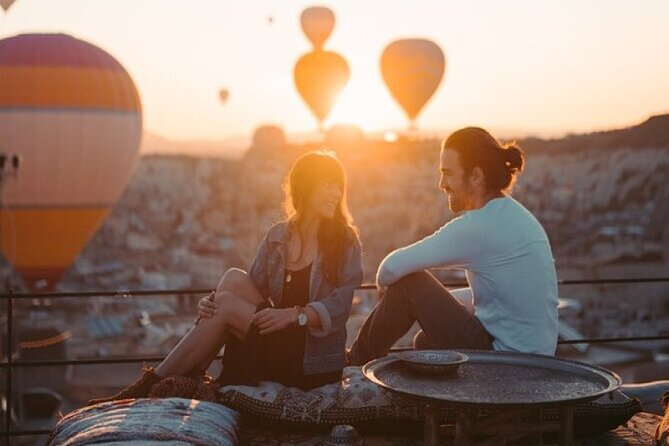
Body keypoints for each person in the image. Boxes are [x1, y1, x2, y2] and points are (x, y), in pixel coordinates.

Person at [89, 150, 362, 404]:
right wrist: (212, 302)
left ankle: (145, 388)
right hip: (275, 338)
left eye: (339, 186)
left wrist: (296, 314)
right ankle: (181, 379)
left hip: (311, 359)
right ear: (306, 186)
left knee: (227, 305)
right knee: (231, 279)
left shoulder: (345, 241)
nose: (336, 193)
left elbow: (341, 306)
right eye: (328, 184)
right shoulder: (278, 236)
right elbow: (249, 288)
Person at [348, 127, 558, 366]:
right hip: (536, 362)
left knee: (410, 284)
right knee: (425, 342)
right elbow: (501, 296)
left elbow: (391, 267)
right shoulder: (516, 216)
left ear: (476, 177)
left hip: (506, 363)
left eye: (447, 173)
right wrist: (432, 303)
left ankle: (354, 361)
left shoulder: (479, 226)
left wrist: (390, 289)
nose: (441, 184)